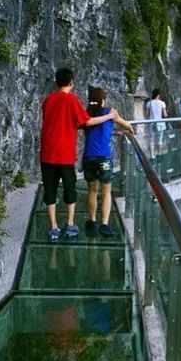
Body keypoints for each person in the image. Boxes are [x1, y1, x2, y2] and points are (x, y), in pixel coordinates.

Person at [40, 68, 118, 241]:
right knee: (70, 190)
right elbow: (87, 121)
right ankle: (70, 224)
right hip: (65, 154)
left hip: (46, 153)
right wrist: (110, 116)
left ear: (57, 81)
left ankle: (53, 227)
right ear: (71, 82)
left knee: (50, 191)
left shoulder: (47, 100)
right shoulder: (71, 99)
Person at [83, 87, 133, 237]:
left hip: (89, 157)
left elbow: (95, 130)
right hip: (104, 157)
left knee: (92, 190)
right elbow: (126, 124)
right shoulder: (109, 113)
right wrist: (129, 129)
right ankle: (104, 224)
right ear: (103, 100)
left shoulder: (87, 114)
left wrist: (113, 132)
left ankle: (92, 221)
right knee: (106, 192)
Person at [145, 88, 168, 158]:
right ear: (159, 95)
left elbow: (146, 114)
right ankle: (159, 153)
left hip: (151, 122)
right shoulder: (162, 103)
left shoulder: (149, 103)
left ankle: (152, 156)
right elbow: (165, 115)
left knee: (151, 140)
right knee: (160, 139)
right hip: (160, 123)